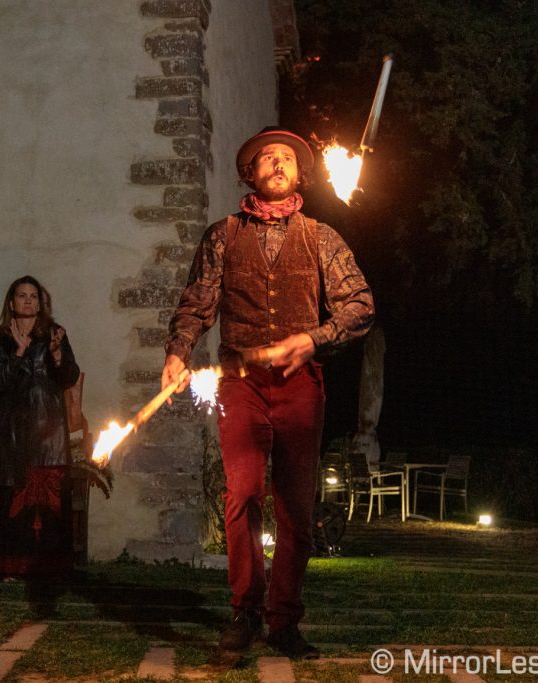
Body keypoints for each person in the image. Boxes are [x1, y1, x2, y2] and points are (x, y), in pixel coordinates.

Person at [162, 127, 375, 658]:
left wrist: (315, 337)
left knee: (297, 508)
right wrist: (177, 352)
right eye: (266, 159)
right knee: (242, 497)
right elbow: (197, 304)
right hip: (240, 383)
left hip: (301, 386)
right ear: (250, 174)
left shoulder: (323, 237)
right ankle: (244, 611)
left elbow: (360, 306)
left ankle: (283, 620)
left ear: (299, 175)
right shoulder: (222, 235)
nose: (277, 164)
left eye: (287, 159)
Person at [0, 276, 80, 577]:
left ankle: (51, 568)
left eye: (33, 296)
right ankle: (14, 566)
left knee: (50, 506)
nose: (27, 300)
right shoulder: (0, 337)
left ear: (41, 302)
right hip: (14, 432)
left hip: (49, 432)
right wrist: (18, 352)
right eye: (21, 295)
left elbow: (69, 377)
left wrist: (55, 354)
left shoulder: (54, 333)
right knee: (15, 503)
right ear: (11, 302)